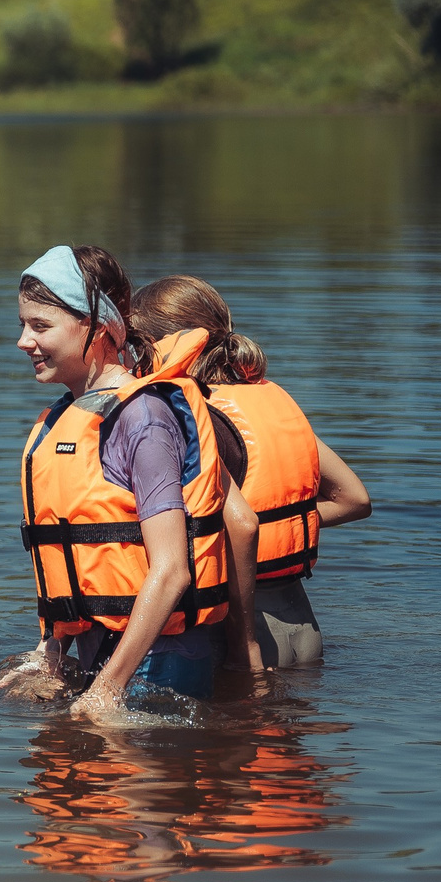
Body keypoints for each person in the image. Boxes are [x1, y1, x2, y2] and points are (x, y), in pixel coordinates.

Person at [0, 246, 262, 715]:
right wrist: (51, 660)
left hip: (158, 673)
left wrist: (107, 688)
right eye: (23, 324)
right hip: (101, 655)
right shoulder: (66, 418)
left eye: (40, 326)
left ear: (99, 328)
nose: (23, 340)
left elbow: (171, 570)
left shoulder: (144, 418)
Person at [130, 275, 372, 668]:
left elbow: (242, 523)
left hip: (244, 639)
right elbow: (355, 500)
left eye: (138, 343)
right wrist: (290, 526)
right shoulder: (266, 402)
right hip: (303, 633)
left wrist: (244, 644)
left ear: (171, 344)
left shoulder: (194, 418)